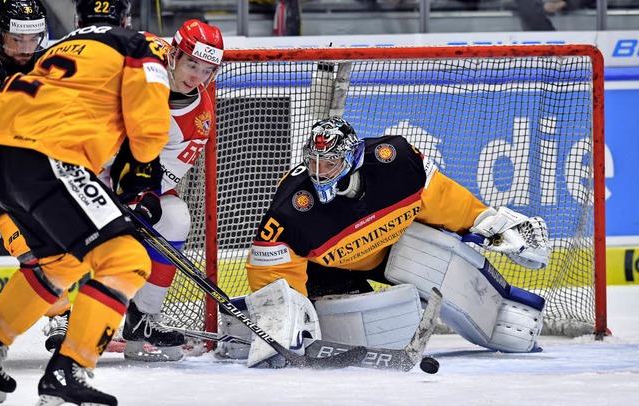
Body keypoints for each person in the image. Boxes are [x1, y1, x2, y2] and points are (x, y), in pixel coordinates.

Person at [220, 116, 551, 367]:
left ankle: (505, 316)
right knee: (369, 329)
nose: (320, 171)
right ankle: (245, 326)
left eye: (330, 162)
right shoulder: (293, 207)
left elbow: (444, 199)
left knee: (438, 259)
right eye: (314, 162)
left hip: (396, 247)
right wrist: (281, 320)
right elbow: (271, 270)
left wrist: (486, 222)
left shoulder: (396, 162)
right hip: (329, 271)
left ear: (352, 159)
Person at [0, 0, 171, 405]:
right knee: (127, 260)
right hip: (48, 158)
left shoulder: (58, 50)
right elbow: (148, 133)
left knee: (61, 262)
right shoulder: (137, 45)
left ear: (77, 21)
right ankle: (70, 368)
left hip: (8, 157)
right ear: (126, 19)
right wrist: (139, 177)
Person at [98, 18, 224, 362]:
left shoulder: (199, 117)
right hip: (80, 168)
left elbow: (167, 173)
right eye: (192, 64)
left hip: (127, 184)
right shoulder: (136, 58)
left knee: (175, 217)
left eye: (207, 70)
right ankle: (63, 316)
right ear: (172, 54)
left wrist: (138, 197)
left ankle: (143, 320)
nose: (197, 76)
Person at [0, 0, 82, 356]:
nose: (23, 48)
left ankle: (60, 313)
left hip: (16, 183)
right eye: (15, 40)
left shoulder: (52, 68)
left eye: (31, 39)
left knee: (37, 251)